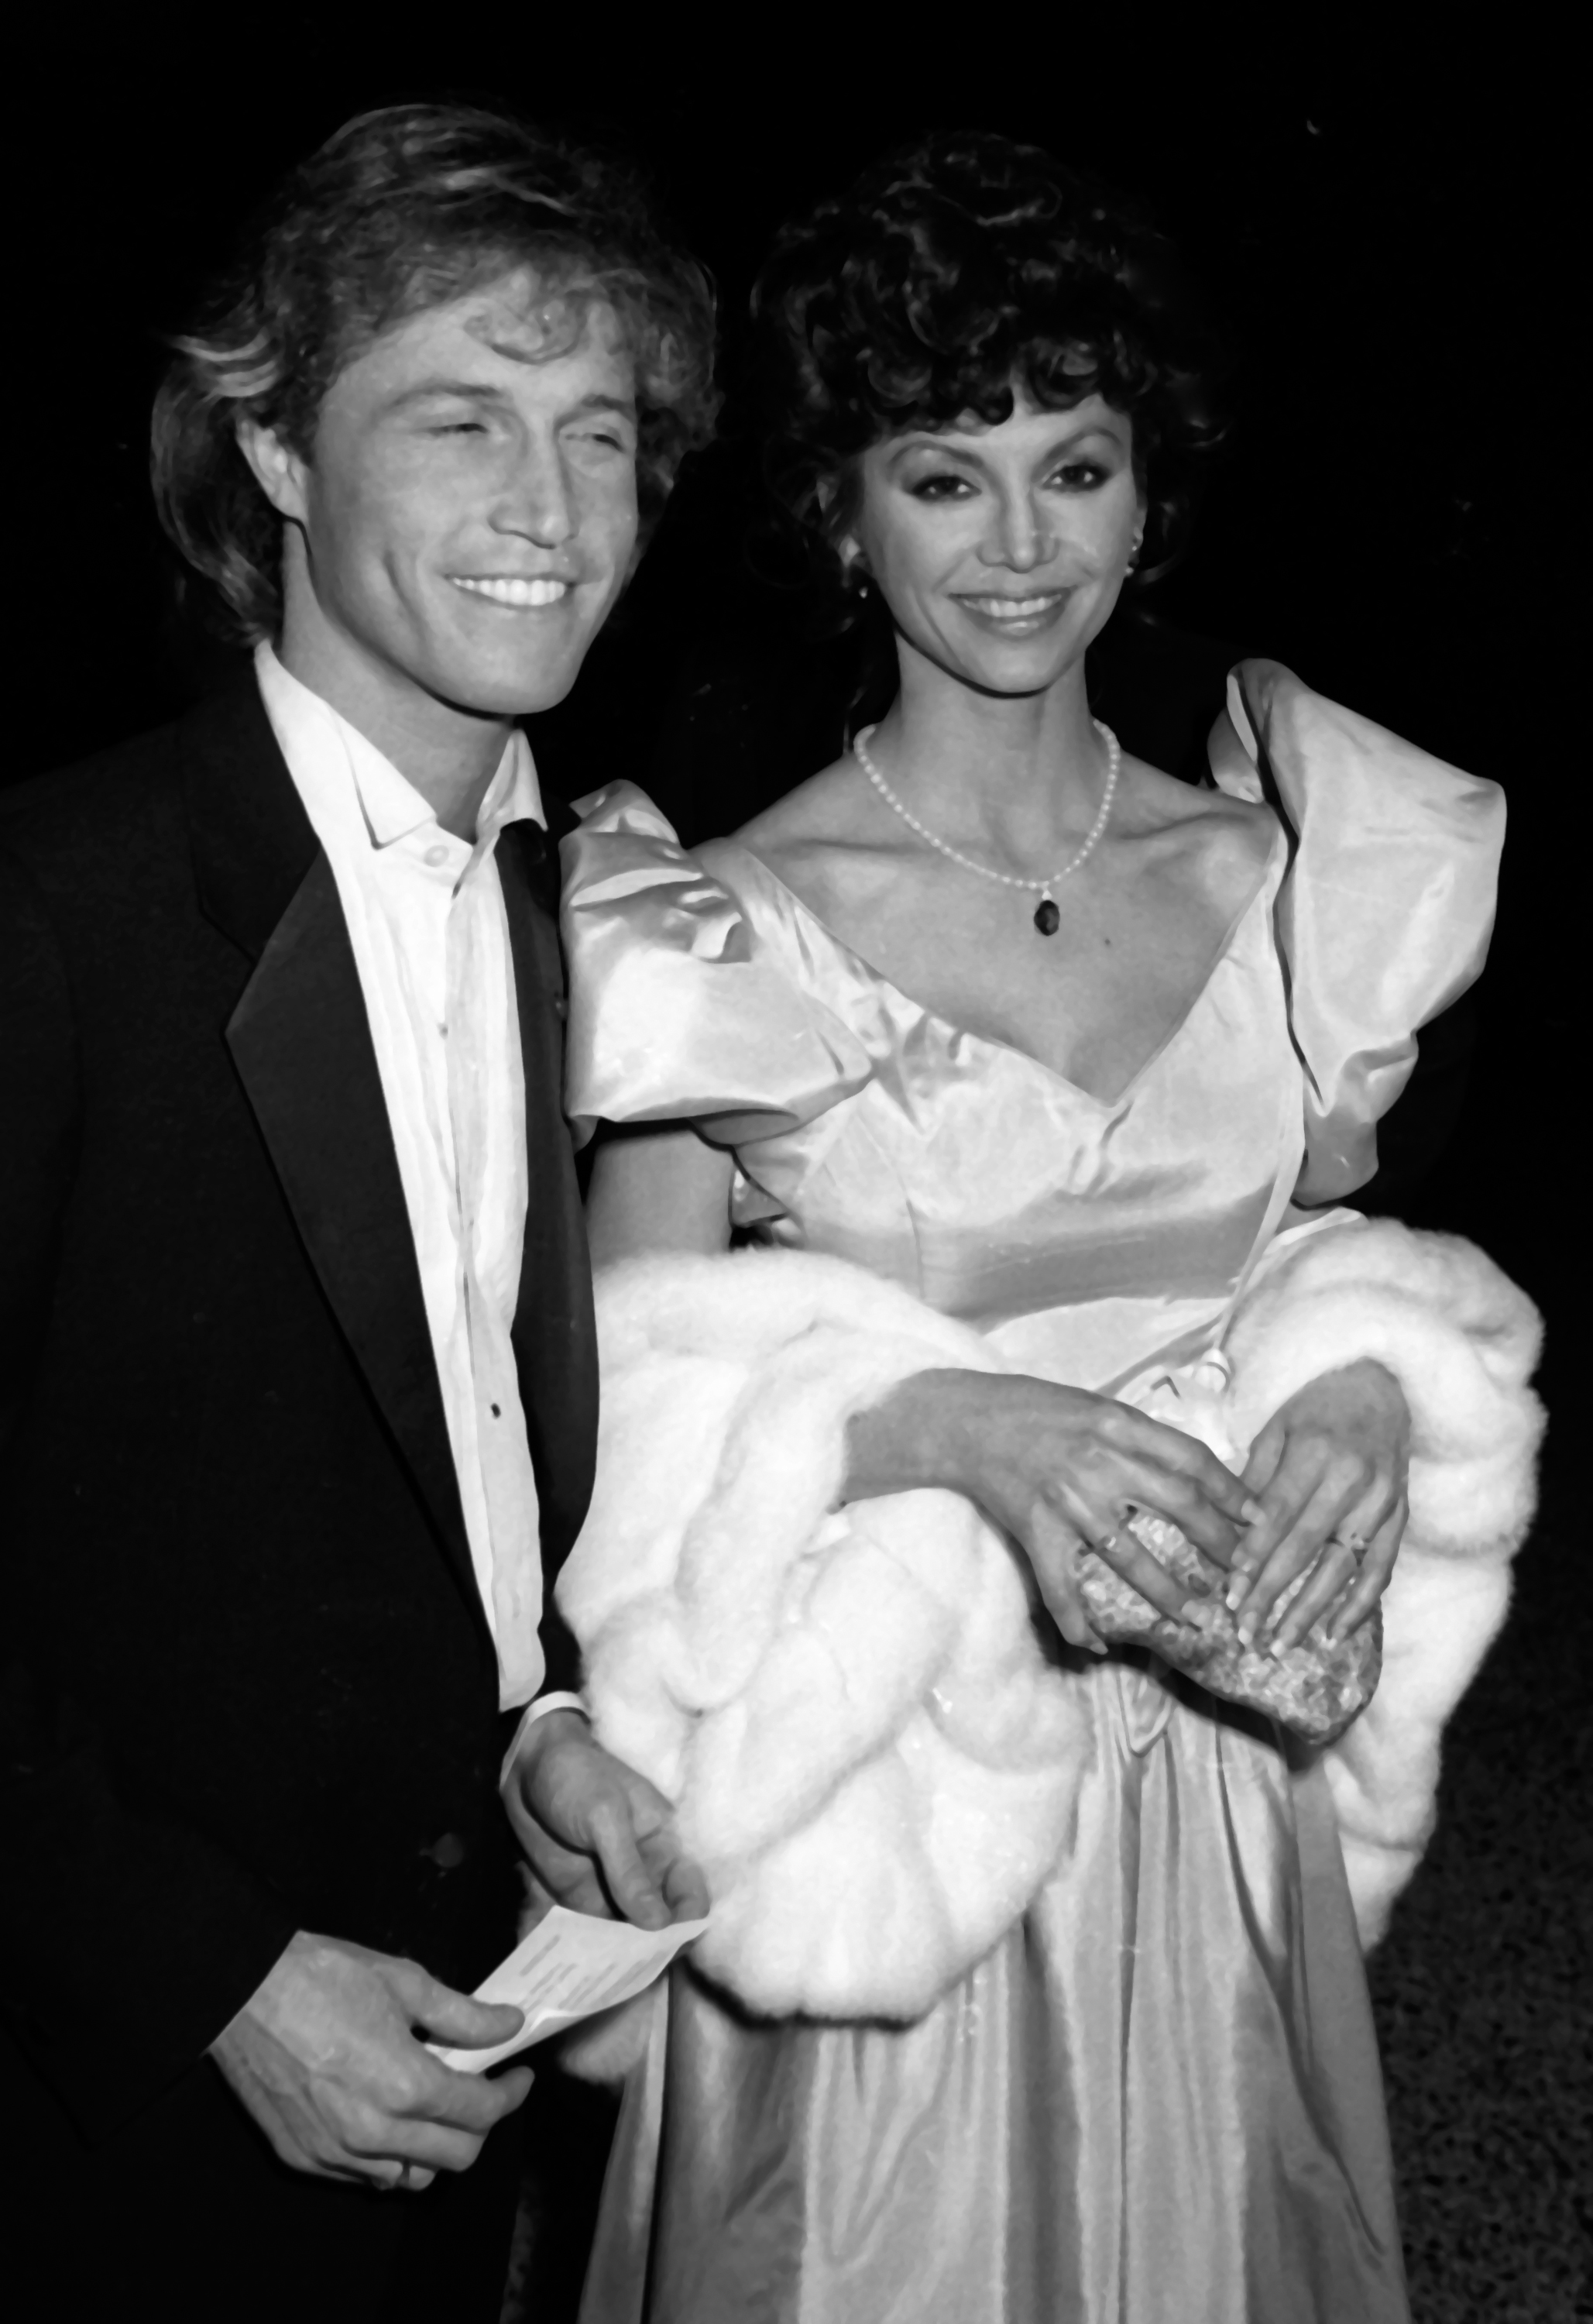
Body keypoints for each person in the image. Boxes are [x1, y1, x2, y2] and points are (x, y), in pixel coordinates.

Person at [549, 135, 1542, 2321]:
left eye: (1071, 468)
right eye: (944, 477)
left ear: (1145, 491)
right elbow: (609, 1434)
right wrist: (950, 1431)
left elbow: (1296, 1245)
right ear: (841, 513)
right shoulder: (717, 929)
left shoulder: (1286, 881)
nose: (1019, 546)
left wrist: (1363, 1384)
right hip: (889, 1799)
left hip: (1216, 1788)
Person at [0, 101, 712, 2323]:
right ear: (277, 451)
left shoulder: (569, 904)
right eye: (461, 420)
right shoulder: (55, 908)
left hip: (445, 2033)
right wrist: (202, 1974)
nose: (552, 512)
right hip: (104, 2101)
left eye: (600, 435)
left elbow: (442, 1443)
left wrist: (534, 1726)